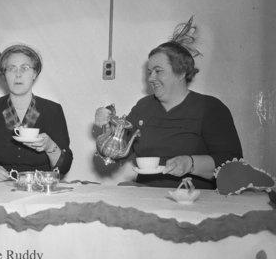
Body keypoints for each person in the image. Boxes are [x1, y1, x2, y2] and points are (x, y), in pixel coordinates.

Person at [95, 17, 242, 189]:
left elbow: (233, 163)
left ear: (181, 73)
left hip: (194, 200)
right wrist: (106, 127)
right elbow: (118, 153)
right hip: (146, 196)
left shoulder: (210, 108)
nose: (150, 78)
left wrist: (191, 163)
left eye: (158, 71)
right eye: (149, 72)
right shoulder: (143, 107)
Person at [0, 43, 73, 182]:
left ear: (34, 73)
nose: (18, 74)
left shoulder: (53, 110)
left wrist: (50, 146)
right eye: (11, 68)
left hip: (40, 188)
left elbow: (64, 167)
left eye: (25, 68)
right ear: (4, 74)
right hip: (0, 188)